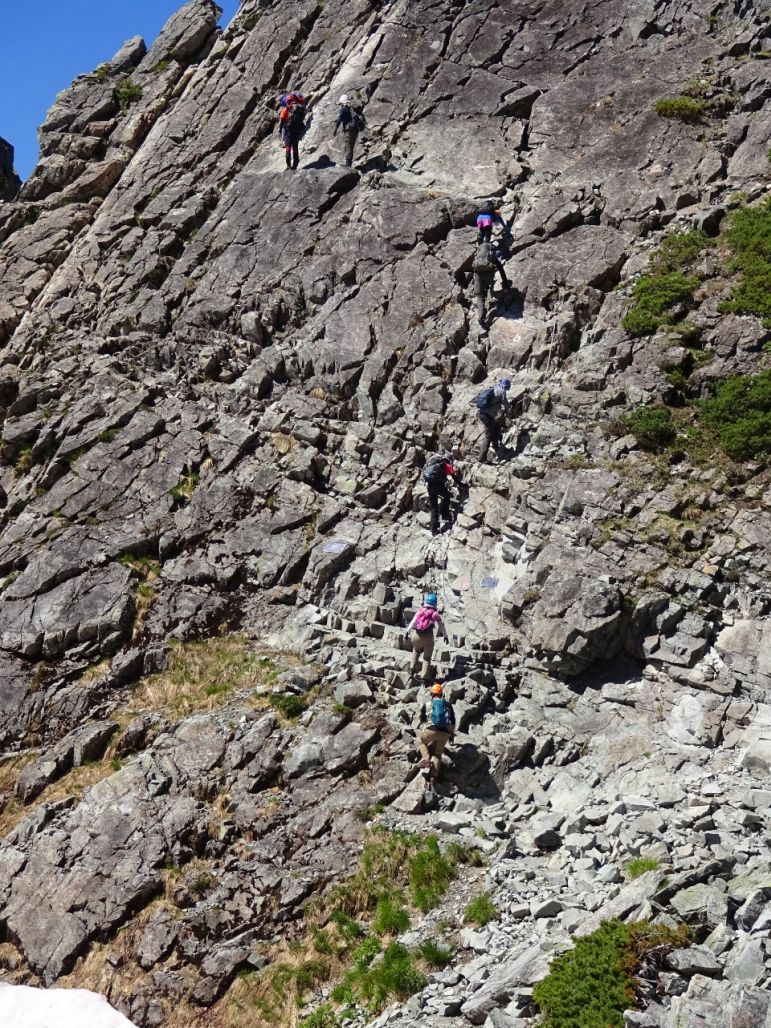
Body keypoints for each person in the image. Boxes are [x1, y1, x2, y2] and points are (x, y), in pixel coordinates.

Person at [406, 593, 449, 680]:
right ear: (434, 603)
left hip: (416, 635)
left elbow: (413, 622)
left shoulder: (420, 611)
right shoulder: (435, 614)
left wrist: (407, 632)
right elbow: (441, 626)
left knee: (416, 650)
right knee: (427, 658)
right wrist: (445, 636)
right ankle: (424, 679)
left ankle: (411, 670)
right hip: (428, 637)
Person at [418, 683, 456, 783]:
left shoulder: (427, 705)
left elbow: (422, 720)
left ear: (432, 694)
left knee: (421, 742)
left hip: (430, 730)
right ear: (441, 694)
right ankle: (434, 776)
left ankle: (426, 759)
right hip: (445, 733)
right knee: (438, 754)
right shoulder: (447, 705)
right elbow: (453, 722)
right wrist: (451, 736)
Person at [473, 240, 511, 327]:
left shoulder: (479, 255)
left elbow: (475, 267)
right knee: (490, 287)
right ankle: (491, 301)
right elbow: (501, 271)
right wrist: (505, 285)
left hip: (478, 273)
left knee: (480, 296)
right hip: (489, 273)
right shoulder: (492, 257)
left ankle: (480, 316)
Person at [421, 453, 458, 535]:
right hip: (438, 485)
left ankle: (434, 529)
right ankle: (445, 514)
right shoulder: (445, 463)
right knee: (447, 495)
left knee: (434, 507)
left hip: (430, 486)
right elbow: (450, 474)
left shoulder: (433, 461)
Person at [476, 378, 511, 462]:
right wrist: (510, 405)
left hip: (481, 413)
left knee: (496, 427)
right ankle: (482, 458)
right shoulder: (502, 391)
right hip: (488, 416)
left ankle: (496, 446)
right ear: (507, 386)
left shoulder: (494, 387)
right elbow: (505, 404)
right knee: (488, 436)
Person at [333, 94, 366, 168]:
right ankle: (349, 163)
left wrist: (335, 129)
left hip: (349, 129)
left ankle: (348, 165)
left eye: (341, 103)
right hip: (355, 129)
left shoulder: (344, 109)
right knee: (350, 146)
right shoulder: (351, 108)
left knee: (348, 146)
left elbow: (339, 119)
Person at [278, 93, 307, 170]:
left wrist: (280, 131)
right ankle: (295, 164)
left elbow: (281, 122)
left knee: (288, 149)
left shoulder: (285, 109)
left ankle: (288, 165)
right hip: (296, 132)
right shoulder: (300, 108)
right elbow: (304, 115)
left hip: (288, 132)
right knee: (295, 148)